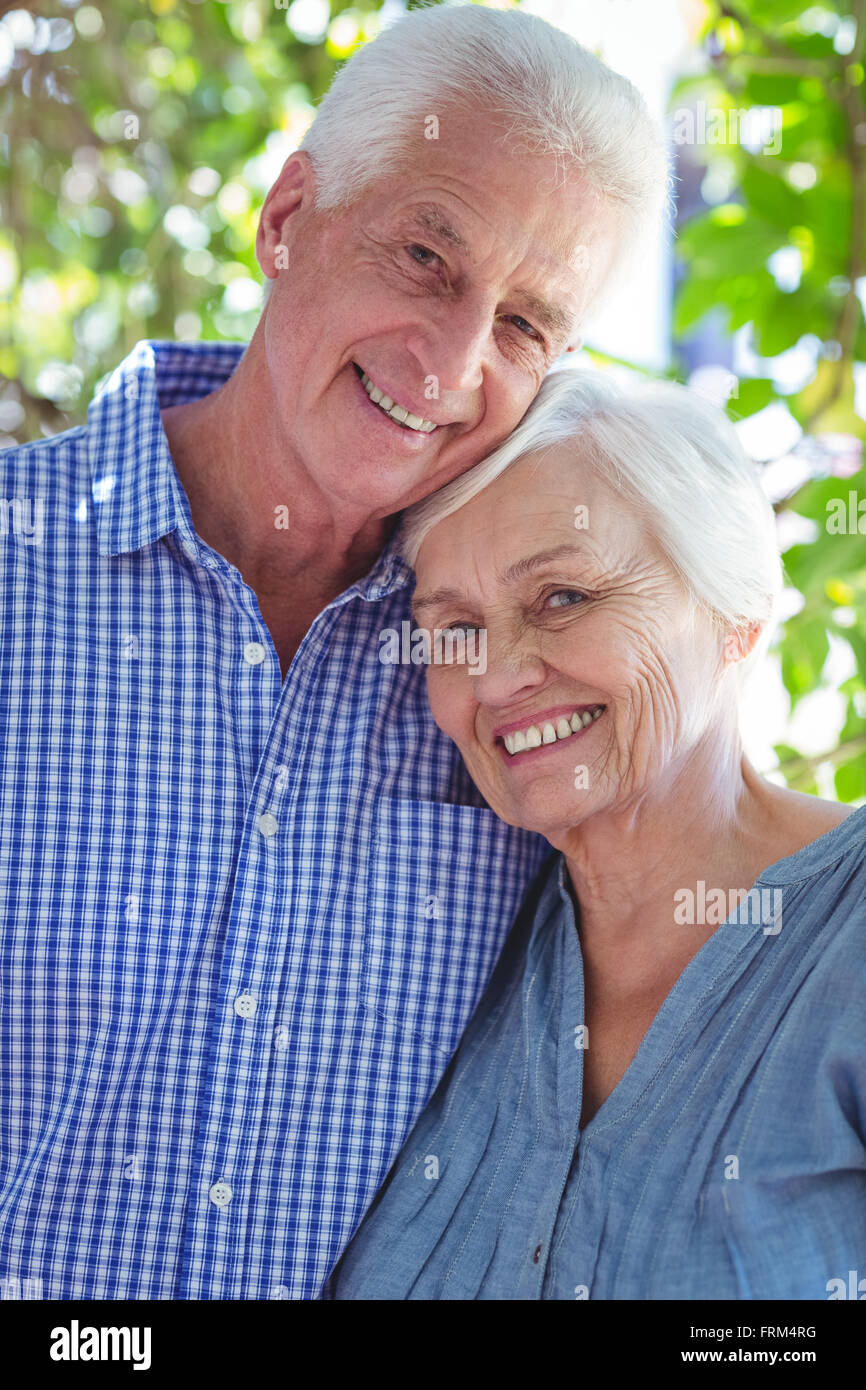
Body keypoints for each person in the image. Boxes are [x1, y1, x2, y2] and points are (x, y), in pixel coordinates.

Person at [0, 6, 668, 1299]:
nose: (454, 362)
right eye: (425, 254)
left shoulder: (526, 683)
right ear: (286, 216)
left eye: (527, 323)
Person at [330, 366, 866, 1300]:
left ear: (735, 612)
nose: (496, 680)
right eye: (454, 629)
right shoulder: (440, 949)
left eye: (564, 599)